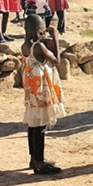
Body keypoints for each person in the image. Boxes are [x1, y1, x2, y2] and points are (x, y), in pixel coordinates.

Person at [22, 14, 66, 175]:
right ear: (36, 30)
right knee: (40, 125)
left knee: (33, 124)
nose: (43, 33)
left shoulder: (25, 46)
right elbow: (56, 61)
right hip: (41, 90)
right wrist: (55, 37)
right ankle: (39, 163)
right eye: (42, 30)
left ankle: (34, 158)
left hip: (32, 90)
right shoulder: (38, 47)